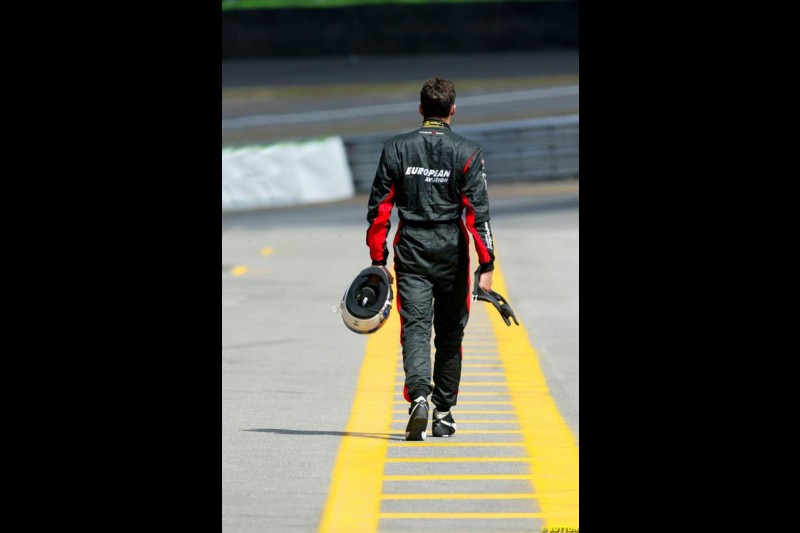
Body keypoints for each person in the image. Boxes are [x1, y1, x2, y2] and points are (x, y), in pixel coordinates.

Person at [365, 76, 497, 441]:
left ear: (421, 109)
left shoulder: (396, 148)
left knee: (416, 328)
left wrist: (378, 260)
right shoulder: (468, 152)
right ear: (453, 110)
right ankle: (443, 412)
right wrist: (486, 266)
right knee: (451, 333)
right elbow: (477, 214)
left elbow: (379, 211)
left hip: (411, 250)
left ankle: (418, 395)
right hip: (452, 252)